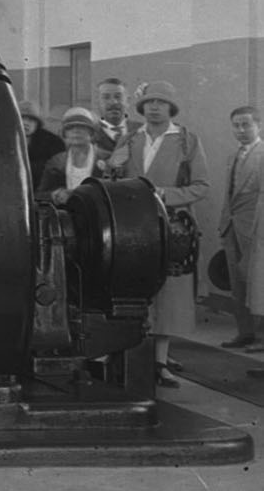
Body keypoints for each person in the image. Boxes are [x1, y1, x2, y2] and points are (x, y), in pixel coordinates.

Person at [105, 81, 210, 387]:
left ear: (171, 108)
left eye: (160, 103)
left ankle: (160, 362)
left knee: (169, 294)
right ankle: (136, 354)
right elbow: (113, 180)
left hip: (173, 228)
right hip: (135, 227)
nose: (153, 107)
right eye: (148, 103)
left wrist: (166, 194)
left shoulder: (187, 141)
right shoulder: (130, 138)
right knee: (137, 288)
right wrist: (113, 166)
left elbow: (202, 186)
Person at [216, 105, 263, 350]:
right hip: (231, 227)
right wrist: (223, 222)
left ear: (259, 125)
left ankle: (261, 338)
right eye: (236, 125)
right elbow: (229, 194)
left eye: (247, 125)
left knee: (259, 284)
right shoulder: (232, 156)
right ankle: (245, 333)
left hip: (256, 229)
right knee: (238, 284)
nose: (241, 130)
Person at [35, 106, 108, 202]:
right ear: (64, 133)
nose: (76, 131)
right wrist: (55, 195)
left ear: (91, 133)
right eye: (70, 128)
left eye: (82, 127)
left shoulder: (107, 158)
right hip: (66, 213)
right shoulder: (55, 161)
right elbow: (40, 195)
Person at [92, 77, 142, 157]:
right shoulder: (90, 135)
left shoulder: (142, 131)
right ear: (97, 103)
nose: (113, 102)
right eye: (106, 97)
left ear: (128, 101)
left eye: (118, 97)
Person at [20, 101, 64, 174]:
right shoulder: (5, 141)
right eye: (22, 118)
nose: (25, 123)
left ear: (38, 124)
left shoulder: (53, 142)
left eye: (31, 120)